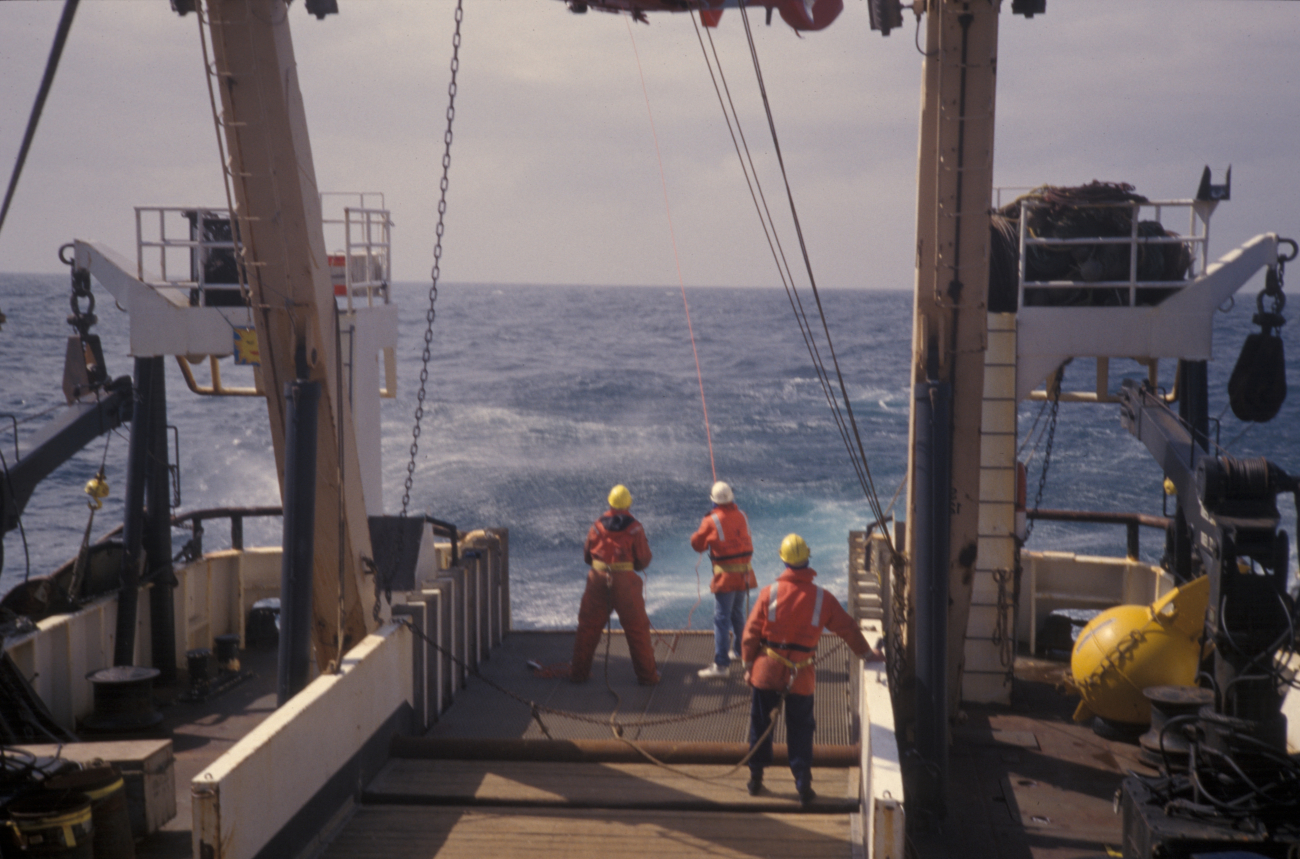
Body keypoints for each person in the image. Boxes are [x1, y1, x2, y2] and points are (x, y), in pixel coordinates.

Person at [741, 533, 883, 806]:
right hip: (800, 675)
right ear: (807, 560)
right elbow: (848, 628)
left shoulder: (768, 594)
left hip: (766, 669)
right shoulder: (823, 599)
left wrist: (749, 667)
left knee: (760, 725)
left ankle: (755, 780)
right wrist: (867, 653)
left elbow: (749, 635)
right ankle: (803, 785)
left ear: (783, 561)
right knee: (801, 728)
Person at [569, 484, 659, 685]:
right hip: (624, 582)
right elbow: (643, 560)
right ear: (628, 503)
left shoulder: (596, 526)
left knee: (587, 627)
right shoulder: (635, 528)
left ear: (610, 502)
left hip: (597, 579)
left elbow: (587, 556)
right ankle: (648, 677)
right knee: (637, 629)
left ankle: (578, 673)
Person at [690, 480, 757, 678]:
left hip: (726, 577)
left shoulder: (711, 520)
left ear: (713, 501)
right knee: (737, 614)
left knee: (721, 619)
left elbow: (698, 545)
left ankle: (721, 665)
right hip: (745, 574)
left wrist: (702, 526)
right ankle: (739, 651)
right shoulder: (743, 515)